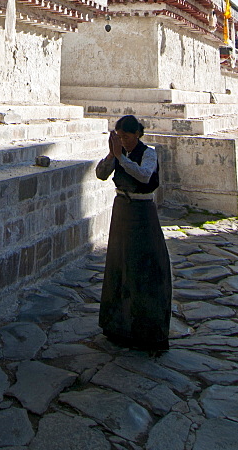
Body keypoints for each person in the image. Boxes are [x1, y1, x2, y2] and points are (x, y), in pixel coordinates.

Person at [95, 114, 172, 353]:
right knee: (120, 265)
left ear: (137, 134)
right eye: (119, 137)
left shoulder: (148, 152)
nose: (123, 141)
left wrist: (121, 158)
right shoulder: (118, 153)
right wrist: (112, 155)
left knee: (146, 266)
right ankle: (118, 325)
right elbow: (101, 173)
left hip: (142, 212)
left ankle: (147, 330)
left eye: (126, 136)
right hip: (122, 211)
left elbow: (144, 175)